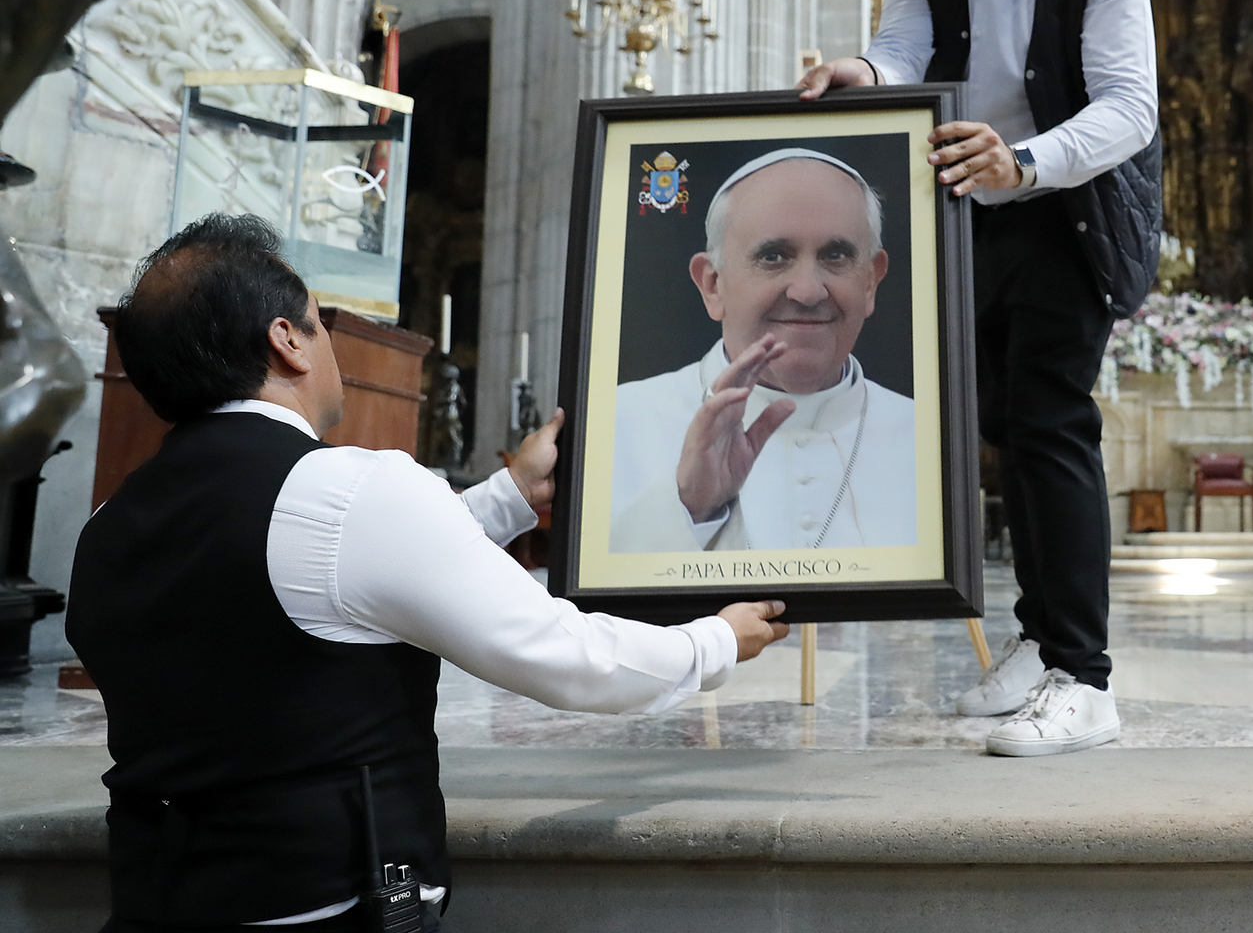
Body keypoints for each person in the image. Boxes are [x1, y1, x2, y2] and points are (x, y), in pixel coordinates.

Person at [64, 214, 789, 932]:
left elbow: (325, 584)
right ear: (286, 342)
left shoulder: (104, 528)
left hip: (154, 902)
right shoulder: (351, 492)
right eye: (319, 324)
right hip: (329, 908)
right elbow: (570, 658)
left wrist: (509, 496)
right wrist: (716, 641)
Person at [798, 0, 1160, 757]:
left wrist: (1026, 160)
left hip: (1063, 205)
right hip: (966, 207)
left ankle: (1086, 679)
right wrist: (857, 71)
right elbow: (903, 56)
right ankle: (1042, 641)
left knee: (1050, 419)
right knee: (1000, 421)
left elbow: (1130, 108)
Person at [609, 148, 916, 552]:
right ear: (713, 285)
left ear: (871, 283)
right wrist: (689, 508)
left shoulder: (928, 438)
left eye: (836, 255)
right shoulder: (617, 423)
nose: (807, 291)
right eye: (773, 257)